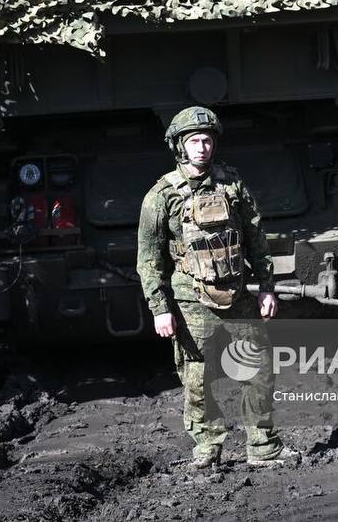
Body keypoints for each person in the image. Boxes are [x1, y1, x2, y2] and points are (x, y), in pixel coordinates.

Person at [135, 106, 301, 469]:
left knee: (257, 368)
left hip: (237, 293)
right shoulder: (161, 196)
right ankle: (207, 450)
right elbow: (148, 260)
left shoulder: (232, 185)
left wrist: (267, 287)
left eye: (207, 140)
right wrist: (160, 308)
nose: (202, 147)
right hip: (190, 297)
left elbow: (256, 238)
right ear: (179, 146)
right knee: (198, 377)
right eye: (194, 140)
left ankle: (263, 447)